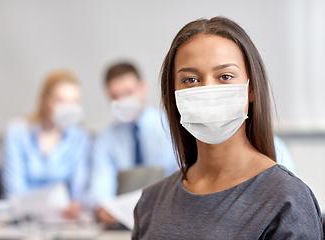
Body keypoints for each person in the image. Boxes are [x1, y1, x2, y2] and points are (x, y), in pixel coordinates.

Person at [132, 17, 323, 239]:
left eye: (225, 76)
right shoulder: (151, 203)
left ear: (251, 89)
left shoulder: (285, 199)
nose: (207, 91)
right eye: (190, 80)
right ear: (173, 95)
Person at [87, 62, 178, 227]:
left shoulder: (172, 126)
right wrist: (102, 207)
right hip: (122, 223)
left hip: (168, 217)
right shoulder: (105, 138)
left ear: (143, 87)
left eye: (129, 93)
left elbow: (182, 173)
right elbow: (101, 179)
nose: (123, 101)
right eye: (115, 97)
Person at [1, 69, 91, 218]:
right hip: (20, 219)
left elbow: (78, 191)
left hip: (63, 221)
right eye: (61, 101)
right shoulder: (16, 132)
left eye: (74, 102)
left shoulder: (80, 136)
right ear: (44, 100)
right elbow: (14, 191)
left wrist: (75, 206)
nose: (68, 109)